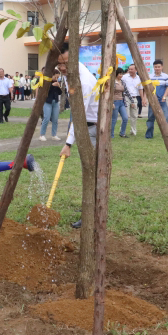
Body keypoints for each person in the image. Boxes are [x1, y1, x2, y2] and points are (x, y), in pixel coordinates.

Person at [57, 43, 98, 229]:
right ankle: (89, 211)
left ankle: (91, 215)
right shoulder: (69, 75)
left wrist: (68, 143)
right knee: (88, 170)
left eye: (65, 63)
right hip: (83, 125)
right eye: (59, 64)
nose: (62, 68)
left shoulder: (85, 81)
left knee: (91, 171)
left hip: (93, 128)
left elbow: (79, 114)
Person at [145, 59, 168, 139]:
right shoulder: (150, 76)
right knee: (150, 118)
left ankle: (166, 135)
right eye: (155, 67)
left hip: (162, 100)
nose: (157, 68)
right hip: (153, 101)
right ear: (153, 67)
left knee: (165, 118)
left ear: (162, 67)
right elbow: (146, 88)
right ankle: (149, 135)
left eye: (159, 67)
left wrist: (164, 97)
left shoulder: (165, 76)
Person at [40, 69, 62, 141]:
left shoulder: (57, 83)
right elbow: (45, 91)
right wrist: (52, 85)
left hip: (55, 102)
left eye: (58, 77)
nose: (56, 79)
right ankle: (42, 135)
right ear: (52, 75)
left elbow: (60, 93)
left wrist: (58, 86)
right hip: (47, 102)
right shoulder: (46, 82)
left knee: (55, 119)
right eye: (55, 77)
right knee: (46, 118)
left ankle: (54, 135)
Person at [121, 64, 142, 136]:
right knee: (125, 115)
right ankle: (122, 130)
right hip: (126, 97)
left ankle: (133, 130)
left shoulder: (138, 78)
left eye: (131, 69)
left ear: (136, 70)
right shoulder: (124, 77)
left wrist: (143, 99)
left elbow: (140, 89)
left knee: (134, 115)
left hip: (134, 98)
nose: (130, 70)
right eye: (129, 69)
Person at [111, 68, 129, 138]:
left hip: (122, 102)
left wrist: (132, 101)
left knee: (125, 118)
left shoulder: (122, 82)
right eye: (120, 74)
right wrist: (111, 103)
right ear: (116, 74)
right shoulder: (113, 82)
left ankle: (122, 133)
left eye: (122, 74)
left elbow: (127, 92)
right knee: (114, 119)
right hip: (115, 102)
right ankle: (111, 135)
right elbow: (110, 93)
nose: (121, 75)